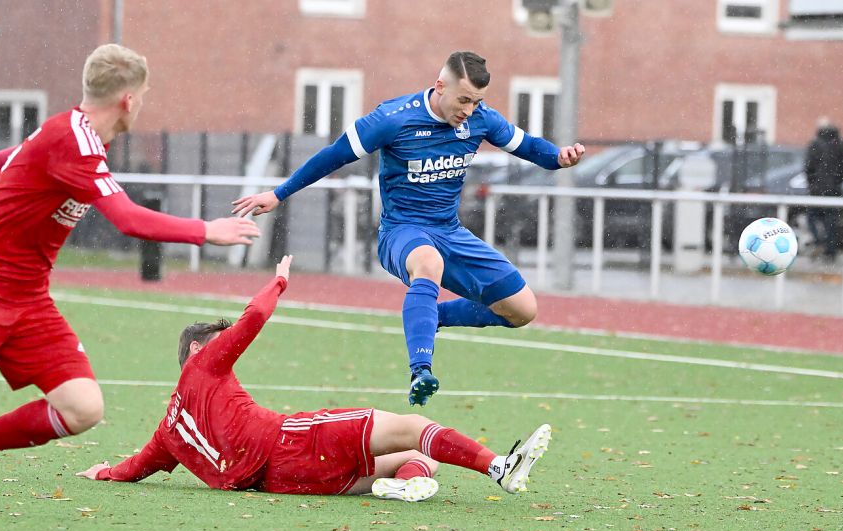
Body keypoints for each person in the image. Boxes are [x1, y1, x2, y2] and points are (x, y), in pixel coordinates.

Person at [0, 44, 260, 531]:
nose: (143, 103)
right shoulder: (73, 140)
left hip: (27, 298)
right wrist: (205, 231)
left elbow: (20, 152)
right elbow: (127, 219)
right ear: (126, 99)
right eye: (142, 94)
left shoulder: (74, 135)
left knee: (82, 408)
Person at [232, 52, 584, 407]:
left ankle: (432, 316)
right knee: (428, 263)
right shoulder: (392, 118)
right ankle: (421, 370)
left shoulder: (481, 119)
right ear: (440, 86)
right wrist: (279, 193)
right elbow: (332, 155)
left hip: (450, 232)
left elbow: (528, 147)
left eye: (476, 102)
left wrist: (558, 157)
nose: (468, 110)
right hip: (402, 231)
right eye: (463, 100)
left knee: (523, 310)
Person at [76, 255, 552, 504]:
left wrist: (102, 471)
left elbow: (135, 467)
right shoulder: (204, 363)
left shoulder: (168, 431)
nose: (226, 348)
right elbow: (254, 317)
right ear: (198, 350)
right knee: (411, 428)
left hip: (281, 482)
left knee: (416, 457)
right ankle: (498, 468)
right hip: (289, 443)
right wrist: (279, 280)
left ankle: (407, 482)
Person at [805, 119, 843, 261]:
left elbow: (808, 167)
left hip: (817, 192)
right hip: (834, 191)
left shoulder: (815, 144)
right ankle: (830, 252)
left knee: (812, 217)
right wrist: (837, 182)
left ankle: (819, 241)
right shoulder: (841, 145)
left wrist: (813, 183)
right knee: (831, 221)